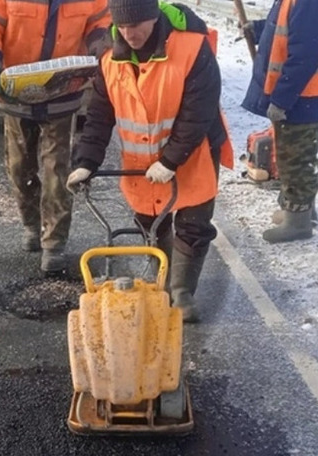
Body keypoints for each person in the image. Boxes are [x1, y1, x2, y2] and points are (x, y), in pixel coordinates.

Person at [67, 0, 233, 323]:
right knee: (151, 221)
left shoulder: (192, 47)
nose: (130, 34)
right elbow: (100, 116)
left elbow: (198, 112)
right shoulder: (108, 58)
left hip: (193, 151)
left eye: (137, 25)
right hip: (142, 159)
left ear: (153, 16)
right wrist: (85, 162)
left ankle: (182, 292)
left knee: (193, 224)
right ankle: (162, 281)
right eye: (123, 27)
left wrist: (171, 160)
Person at [0, 0, 111, 273]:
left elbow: (100, 23)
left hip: (63, 96)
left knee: (57, 170)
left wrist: (97, 48)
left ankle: (54, 242)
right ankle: (31, 223)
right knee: (19, 167)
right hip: (16, 95)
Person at [241, 0, 318, 244]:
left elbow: (305, 53)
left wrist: (282, 99)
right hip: (306, 93)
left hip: (303, 93)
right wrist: (258, 29)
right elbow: (290, 27)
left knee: (295, 158)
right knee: (302, 153)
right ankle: (304, 212)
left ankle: (298, 222)